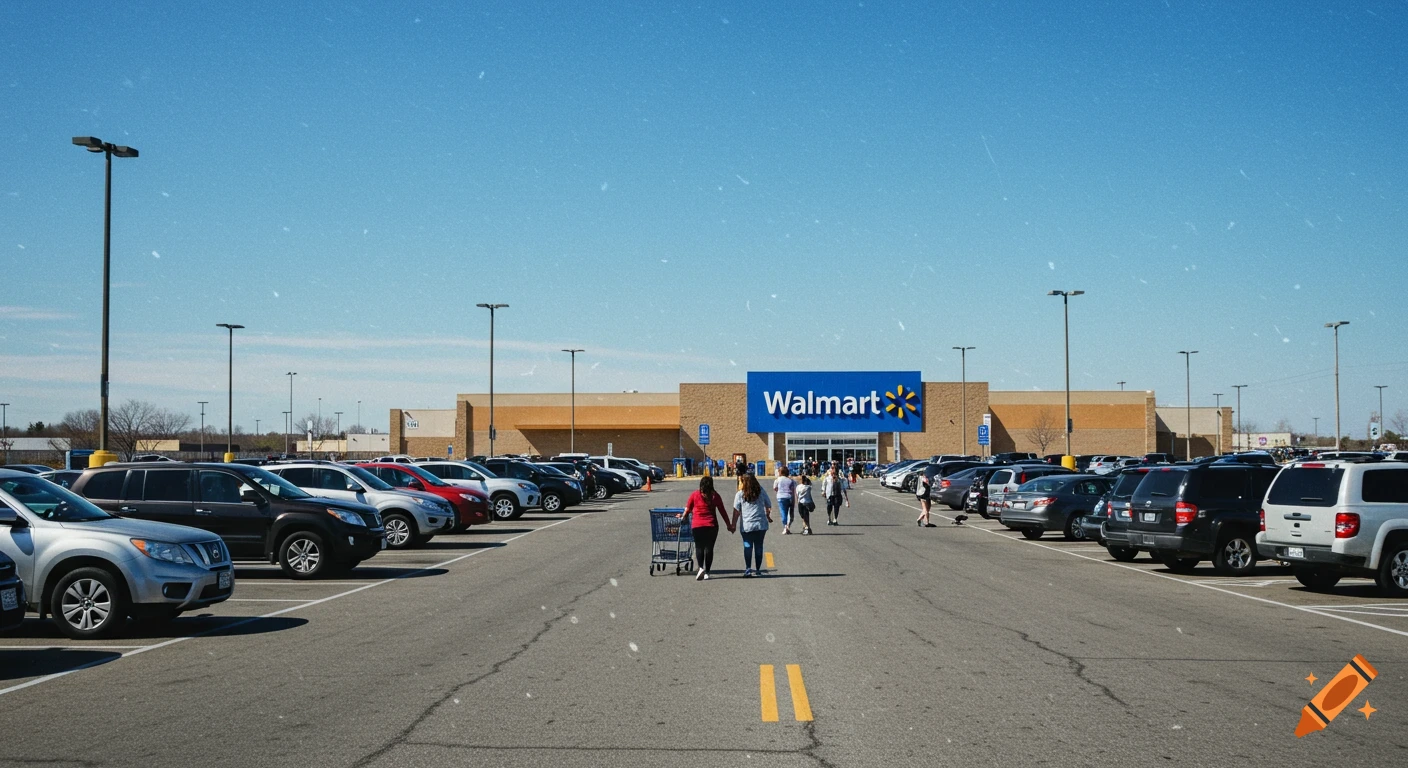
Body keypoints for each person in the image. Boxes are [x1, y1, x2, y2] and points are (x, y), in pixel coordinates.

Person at [682, 475, 732, 580]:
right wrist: (729, 525)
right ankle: (707, 572)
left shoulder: (695, 495)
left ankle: (701, 568)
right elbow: (722, 511)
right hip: (712, 526)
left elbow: (687, 510)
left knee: (699, 547)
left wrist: (683, 517)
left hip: (697, 525)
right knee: (709, 548)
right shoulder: (715, 496)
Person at [732, 473, 772, 576]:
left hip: (747, 525)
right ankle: (758, 569)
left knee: (747, 546)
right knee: (759, 546)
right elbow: (768, 504)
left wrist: (733, 524)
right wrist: (767, 515)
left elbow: (736, 511)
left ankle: (748, 568)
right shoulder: (761, 492)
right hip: (760, 524)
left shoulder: (740, 494)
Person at [773, 466, 797, 535]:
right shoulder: (791, 480)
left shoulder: (778, 480)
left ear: (780, 472)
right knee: (790, 513)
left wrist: (779, 491)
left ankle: (785, 526)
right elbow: (794, 489)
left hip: (781, 497)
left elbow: (775, 488)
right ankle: (788, 526)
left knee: (783, 512)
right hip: (790, 497)